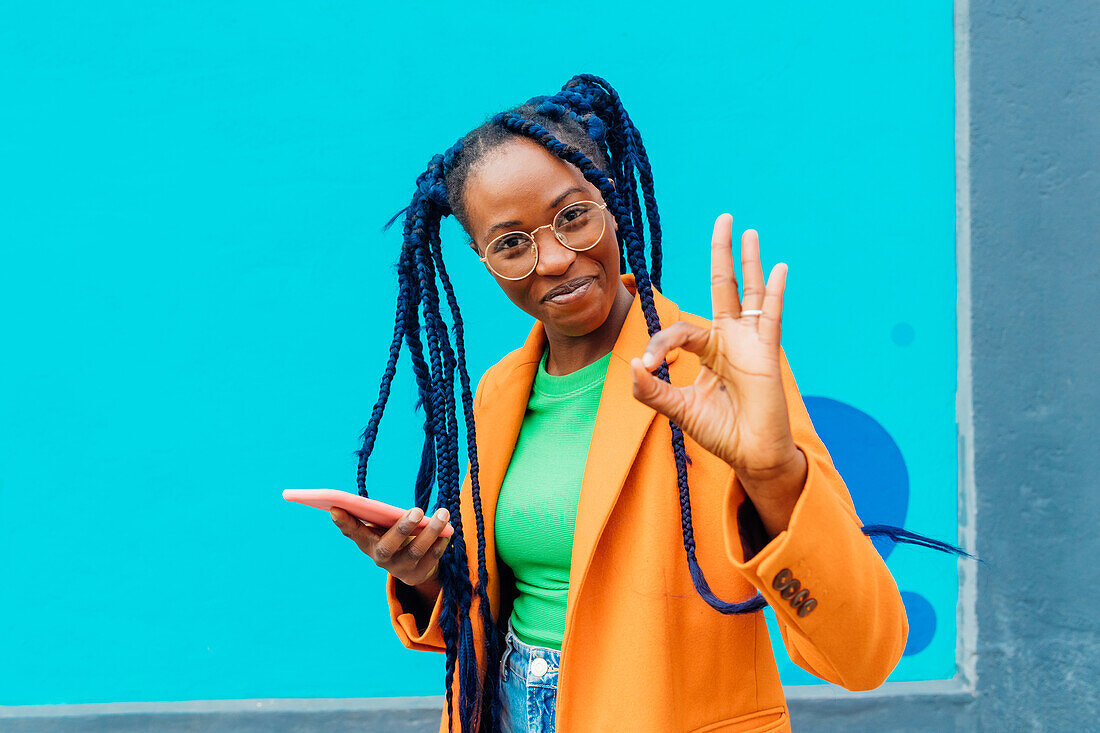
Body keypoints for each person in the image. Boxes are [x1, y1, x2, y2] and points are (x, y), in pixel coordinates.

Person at [329, 74, 964, 733]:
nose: (551, 259)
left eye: (573, 215)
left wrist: (774, 475)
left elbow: (863, 653)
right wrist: (423, 575)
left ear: (612, 201)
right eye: (512, 243)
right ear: (480, 256)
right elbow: (485, 609)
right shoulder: (499, 391)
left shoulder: (713, 376)